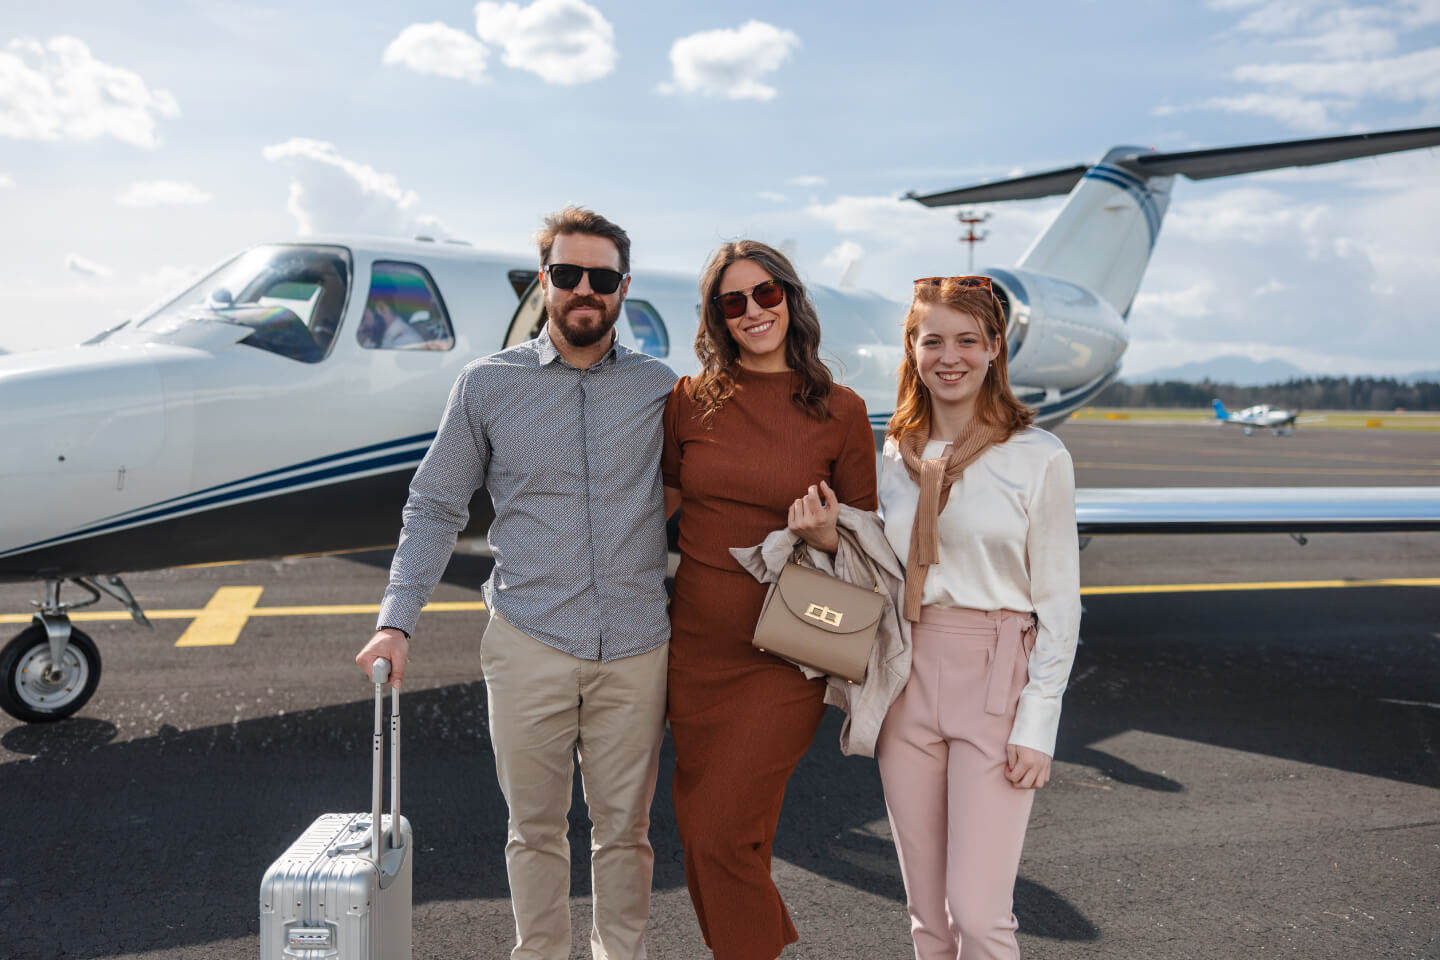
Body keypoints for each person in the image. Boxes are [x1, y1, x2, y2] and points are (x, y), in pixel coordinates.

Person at [355, 207, 677, 960]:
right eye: (568, 275)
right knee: (533, 830)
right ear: (545, 281)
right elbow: (434, 505)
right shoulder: (486, 386)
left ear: (623, 288)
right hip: (528, 638)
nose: (583, 290)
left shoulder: (662, 389)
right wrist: (396, 621)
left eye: (601, 278)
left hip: (636, 646)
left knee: (625, 832)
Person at [661, 240, 879, 959]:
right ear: (716, 317)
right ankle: (756, 945)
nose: (753, 310)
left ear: (790, 298)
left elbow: (867, 546)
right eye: (733, 300)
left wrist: (821, 538)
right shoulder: (688, 402)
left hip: (787, 652)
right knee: (712, 829)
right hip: (695, 650)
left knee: (719, 829)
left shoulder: (841, 412)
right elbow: (660, 505)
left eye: (766, 294)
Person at [875, 276, 1081, 960]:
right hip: (907, 677)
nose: (950, 356)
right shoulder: (897, 456)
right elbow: (882, 565)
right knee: (928, 918)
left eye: (968, 340)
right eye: (933, 340)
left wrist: (1039, 722)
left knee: (980, 913)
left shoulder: (1037, 456)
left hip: (995, 676)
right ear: (913, 348)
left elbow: (1059, 602)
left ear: (995, 348)